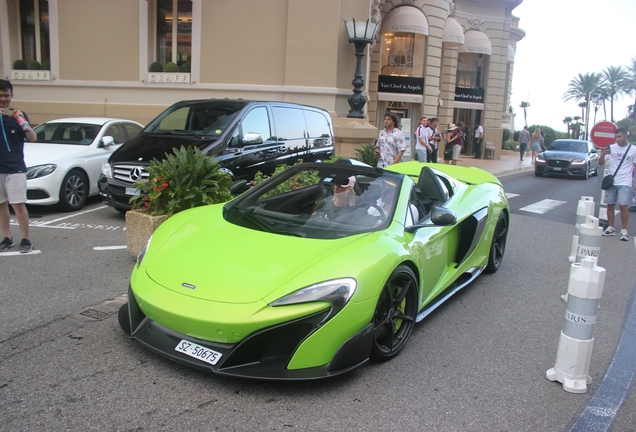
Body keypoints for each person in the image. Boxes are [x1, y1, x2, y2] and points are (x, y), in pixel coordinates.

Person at [0, 79, 37, 253]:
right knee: (1, 204)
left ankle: (26, 239)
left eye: (6, 95)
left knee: (18, 205)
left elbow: (32, 137)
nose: (3, 100)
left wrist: (20, 120)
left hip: (15, 168)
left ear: (11, 95)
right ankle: (7, 237)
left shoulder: (18, 115)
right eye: (0, 96)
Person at [599, 128, 636, 241]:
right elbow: (601, 163)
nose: (617, 139)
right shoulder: (611, 148)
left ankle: (624, 230)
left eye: (619, 137)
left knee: (623, 205)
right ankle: (611, 227)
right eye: (616, 137)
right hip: (612, 181)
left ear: (626, 136)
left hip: (625, 181)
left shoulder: (633, 149)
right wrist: (603, 154)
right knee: (610, 205)